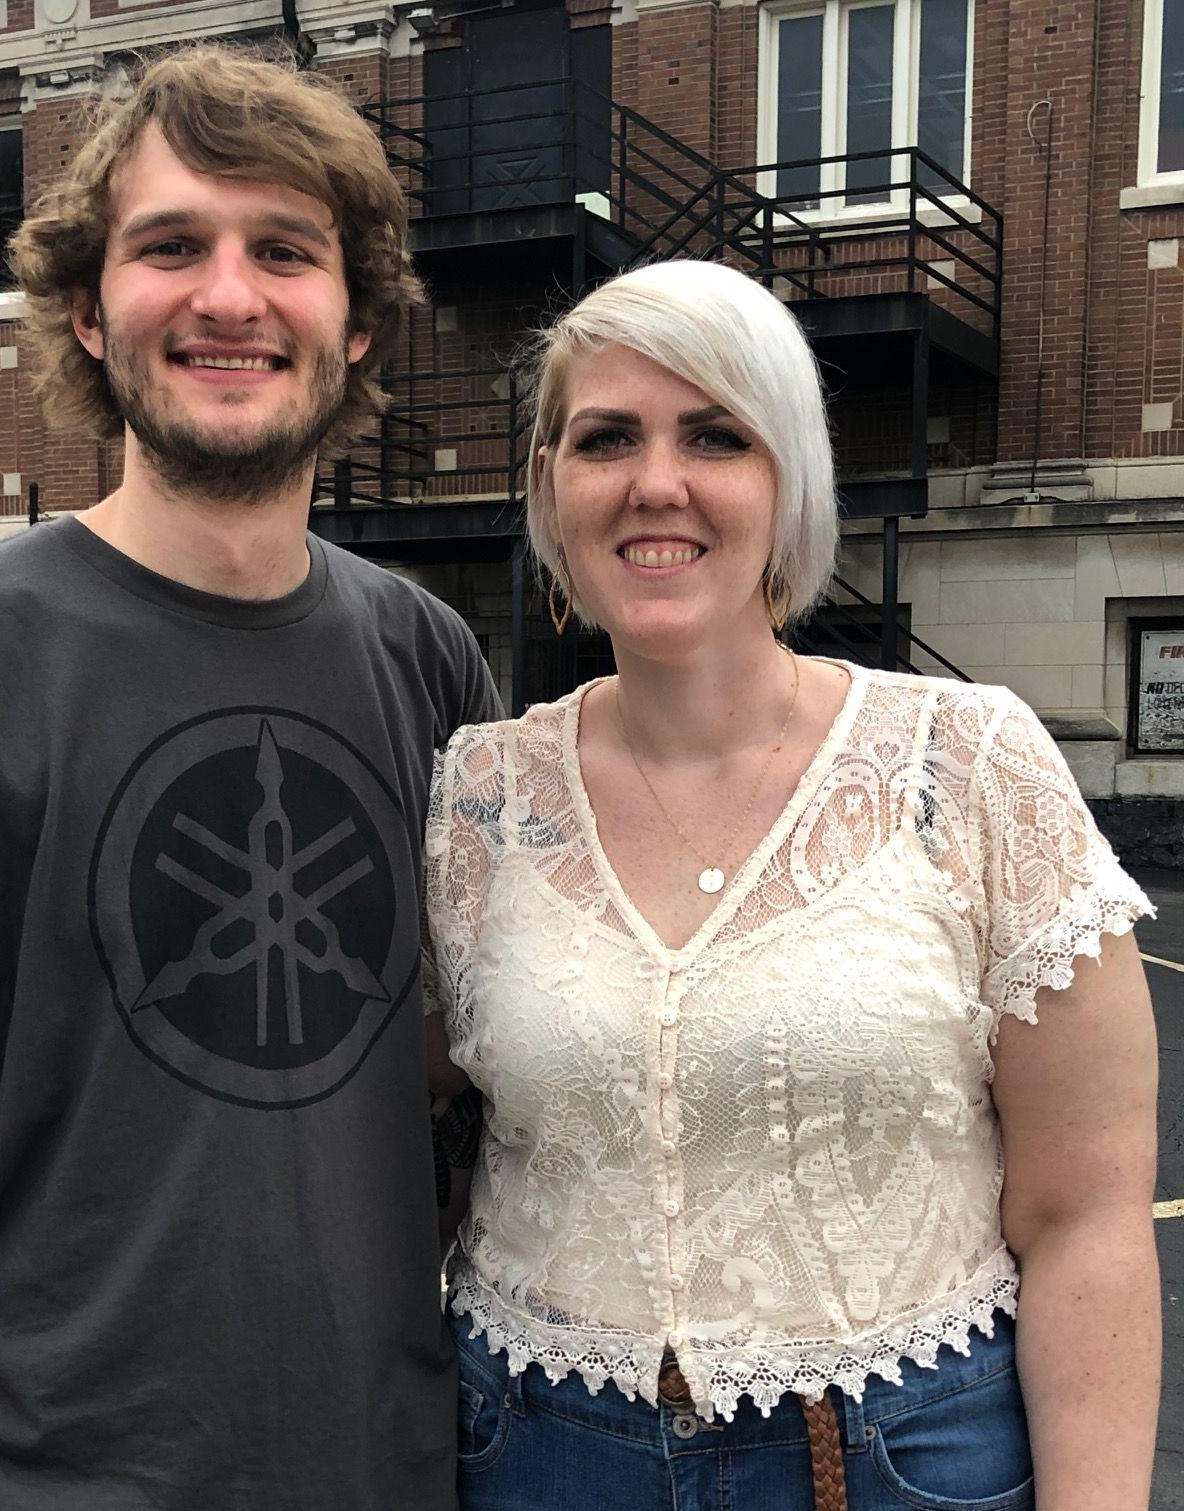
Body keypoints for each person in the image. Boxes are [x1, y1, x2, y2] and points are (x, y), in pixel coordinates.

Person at [0, 45, 499, 1511]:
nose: (228, 294)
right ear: (88, 309)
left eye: (285, 250)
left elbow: (470, 1079)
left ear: (356, 320)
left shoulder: (430, 658)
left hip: (394, 1472)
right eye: (170, 247)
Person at [423, 259, 1161, 1510]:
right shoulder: (480, 794)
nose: (659, 481)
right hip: (538, 1450)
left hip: (888, 1457)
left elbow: (1085, 1216)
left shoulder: (968, 761)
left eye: (716, 433)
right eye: (608, 437)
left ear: (791, 479)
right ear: (553, 487)